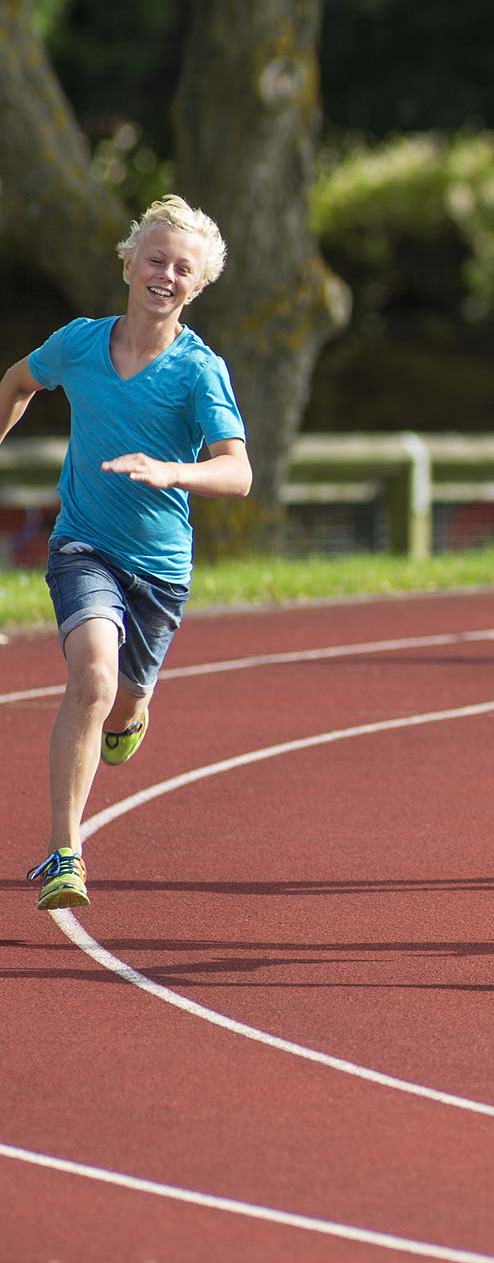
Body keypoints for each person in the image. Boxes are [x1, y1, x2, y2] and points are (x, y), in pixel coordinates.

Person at [3, 196, 251, 911]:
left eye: (182, 269)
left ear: (198, 286)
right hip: (84, 545)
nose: (165, 275)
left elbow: (238, 472)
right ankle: (64, 852)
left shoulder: (200, 372)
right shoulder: (78, 344)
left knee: (121, 703)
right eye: (156, 259)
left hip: (161, 572)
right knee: (90, 679)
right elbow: (20, 382)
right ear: (128, 262)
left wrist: (175, 471)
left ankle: (129, 720)